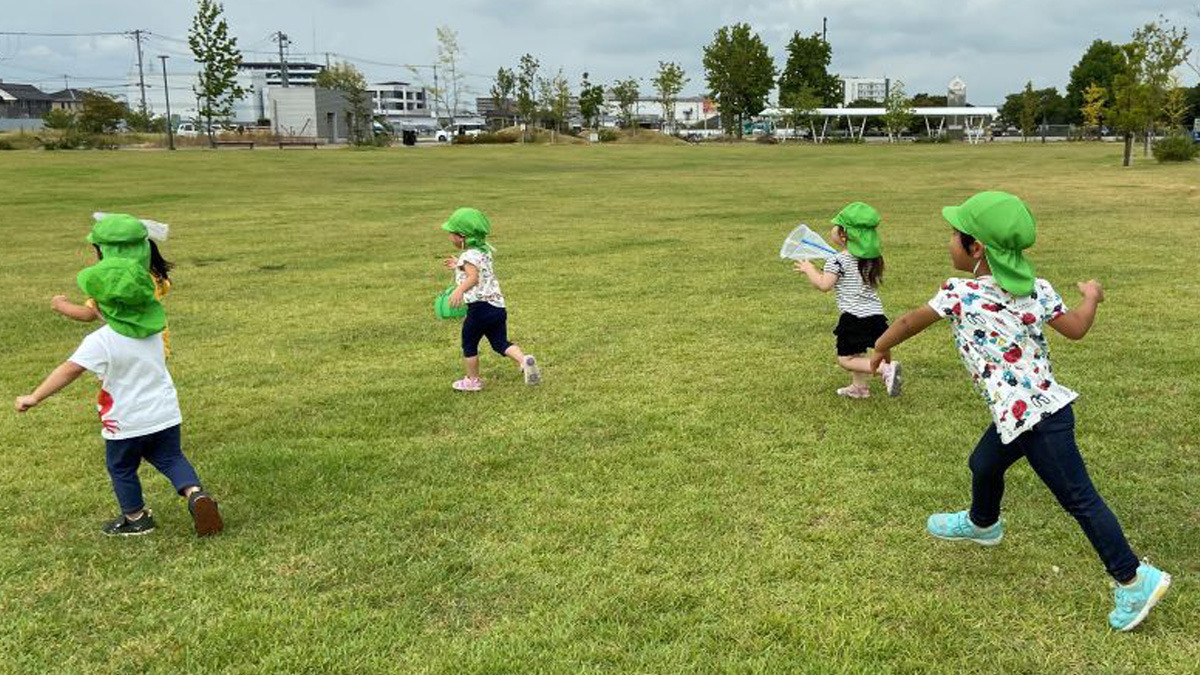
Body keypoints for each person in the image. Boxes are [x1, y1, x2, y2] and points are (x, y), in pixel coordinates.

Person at [870, 191, 1169, 631]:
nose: (949, 243)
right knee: (984, 463)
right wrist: (1091, 297)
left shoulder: (959, 292)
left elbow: (908, 322)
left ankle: (1133, 579)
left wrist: (880, 347)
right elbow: (1076, 329)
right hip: (1022, 413)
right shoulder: (1037, 289)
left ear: (976, 248)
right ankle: (983, 523)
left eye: (954, 235)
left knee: (1080, 499)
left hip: (1038, 421)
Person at [15, 215, 222, 537]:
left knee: (122, 467)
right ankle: (195, 493)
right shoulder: (156, 333)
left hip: (126, 422)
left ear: (101, 304)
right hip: (165, 413)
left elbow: (69, 370)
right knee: (170, 457)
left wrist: (34, 396)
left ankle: (136, 518)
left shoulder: (100, 341)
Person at [796, 202, 901, 398]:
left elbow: (824, 285)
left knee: (846, 359)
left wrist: (809, 269)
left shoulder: (837, 260)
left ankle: (885, 370)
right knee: (862, 351)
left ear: (843, 234)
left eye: (836, 226)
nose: (832, 229)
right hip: (876, 315)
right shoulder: (873, 258)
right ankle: (860, 387)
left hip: (853, 317)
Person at [441, 207, 541, 391]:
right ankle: (524, 360)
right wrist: (458, 265)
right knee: (500, 343)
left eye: (451, 234)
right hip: (497, 307)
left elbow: (473, 277)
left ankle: (472, 381)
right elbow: (478, 269)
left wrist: (459, 290)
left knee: (469, 344)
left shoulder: (468, 255)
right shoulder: (484, 251)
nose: (449, 237)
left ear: (462, 237)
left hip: (479, 309)